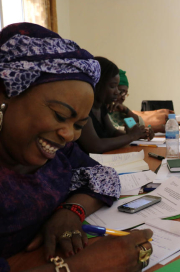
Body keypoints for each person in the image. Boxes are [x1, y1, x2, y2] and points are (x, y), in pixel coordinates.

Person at [0, 23, 152, 272]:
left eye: (79, 124)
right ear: (5, 93)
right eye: (60, 115)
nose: (69, 135)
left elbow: (104, 175)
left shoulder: (58, 153)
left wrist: (71, 211)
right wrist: (82, 267)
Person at [77, 57, 154, 154]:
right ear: (97, 83)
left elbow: (112, 132)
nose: (117, 92)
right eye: (113, 86)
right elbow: (95, 146)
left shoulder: (101, 107)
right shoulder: (83, 108)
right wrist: (131, 137)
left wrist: (138, 135)